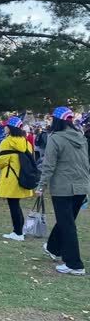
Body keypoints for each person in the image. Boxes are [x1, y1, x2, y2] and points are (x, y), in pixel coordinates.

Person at [38, 107, 89, 275]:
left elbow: (49, 165)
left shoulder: (55, 138)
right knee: (65, 220)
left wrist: (41, 185)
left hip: (63, 188)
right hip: (81, 186)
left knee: (67, 224)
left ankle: (74, 264)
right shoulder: (80, 137)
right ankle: (53, 247)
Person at [0, 116, 34, 241]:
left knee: (13, 205)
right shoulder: (26, 142)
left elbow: (0, 162)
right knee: (16, 205)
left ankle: (18, 232)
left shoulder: (6, 142)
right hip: (22, 177)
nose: (4, 128)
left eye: (6, 126)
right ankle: (19, 231)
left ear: (10, 128)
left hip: (11, 178)